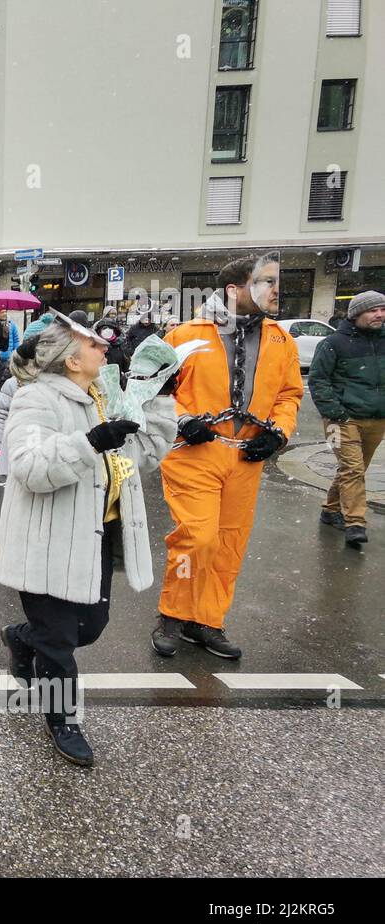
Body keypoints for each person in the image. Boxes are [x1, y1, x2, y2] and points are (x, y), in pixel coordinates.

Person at [0, 320, 176, 766]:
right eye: (95, 344)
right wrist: (91, 441)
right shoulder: (36, 397)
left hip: (94, 538)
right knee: (58, 642)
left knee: (89, 628)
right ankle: (63, 720)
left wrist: (161, 403)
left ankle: (22, 638)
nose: (105, 348)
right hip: (46, 541)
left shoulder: (104, 397)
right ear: (72, 360)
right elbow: (31, 467)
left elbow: (138, 460)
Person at [152, 254, 303, 660]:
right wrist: (183, 420)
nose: (276, 290)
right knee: (196, 537)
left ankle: (206, 620)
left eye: (277, 281)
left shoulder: (280, 340)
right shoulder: (185, 336)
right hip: (194, 453)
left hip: (245, 459)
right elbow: (153, 389)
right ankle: (173, 612)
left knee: (229, 544)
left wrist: (277, 434)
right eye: (267, 281)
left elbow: (289, 394)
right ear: (235, 290)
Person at [309, 290, 385, 548]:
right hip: (341, 419)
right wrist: (335, 412)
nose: (379, 315)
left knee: (354, 469)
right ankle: (355, 523)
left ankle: (330, 510)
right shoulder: (333, 343)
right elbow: (318, 380)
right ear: (356, 314)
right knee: (353, 469)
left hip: (376, 418)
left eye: (382, 310)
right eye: (373, 310)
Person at [0, 318, 49, 479]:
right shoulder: (13, 383)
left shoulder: (55, 382)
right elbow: (0, 415)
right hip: (15, 452)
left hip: (46, 457)